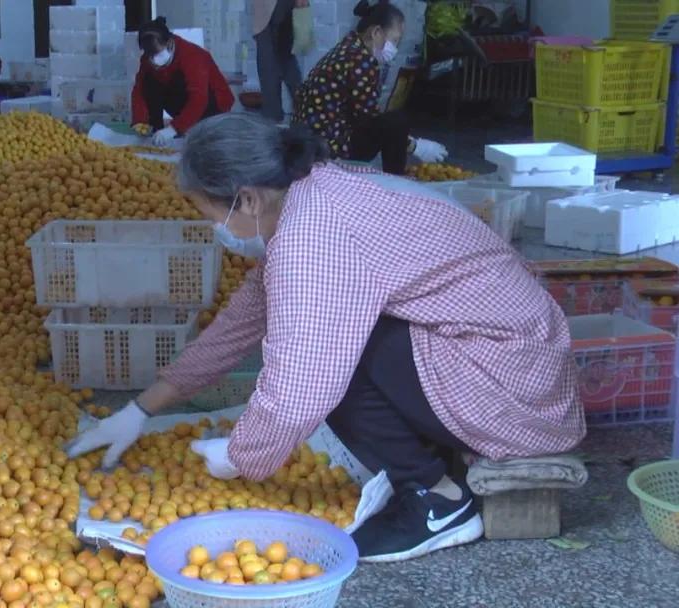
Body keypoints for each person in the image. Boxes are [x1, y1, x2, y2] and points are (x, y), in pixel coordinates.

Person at [66, 113, 586, 562]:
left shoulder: (312, 235)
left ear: (245, 199)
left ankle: (438, 501)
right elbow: (241, 323)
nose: (211, 228)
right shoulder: (315, 191)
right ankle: (428, 458)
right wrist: (141, 410)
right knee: (335, 338)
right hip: (508, 357)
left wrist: (244, 454)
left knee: (333, 352)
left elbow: (303, 384)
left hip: (511, 384)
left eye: (207, 212)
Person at [292, 0, 447, 175]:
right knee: (396, 122)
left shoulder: (349, 47)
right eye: (394, 40)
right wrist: (414, 146)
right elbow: (369, 118)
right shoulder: (360, 61)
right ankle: (394, 182)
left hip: (311, 139)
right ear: (376, 32)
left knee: (391, 122)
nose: (394, 48)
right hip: (326, 145)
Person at [131, 17, 234, 147]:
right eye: (150, 55)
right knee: (149, 81)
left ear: (169, 43)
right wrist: (140, 120)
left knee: (203, 140)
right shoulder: (147, 59)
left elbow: (199, 98)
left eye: (158, 54)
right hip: (181, 99)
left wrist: (173, 129)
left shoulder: (192, 55)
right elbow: (139, 90)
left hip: (213, 104)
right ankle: (154, 131)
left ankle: (187, 127)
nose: (154, 59)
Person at [252, 0, 306, 122]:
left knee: (269, 63)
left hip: (272, 7)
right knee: (285, 57)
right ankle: (305, 110)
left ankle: (273, 118)